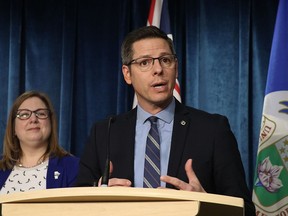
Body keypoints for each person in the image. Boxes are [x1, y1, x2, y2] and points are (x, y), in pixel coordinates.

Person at [76, 26, 255, 215]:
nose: (158, 69)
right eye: (145, 63)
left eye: (165, 60)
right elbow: (76, 203)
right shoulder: (105, 132)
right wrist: (99, 193)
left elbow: (245, 209)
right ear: (127, 74)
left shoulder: (212, 129)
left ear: (175, 67)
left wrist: (207, 202)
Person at [0, 91, 79, 194]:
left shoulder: (73, 167)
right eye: (24, 114)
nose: (33, 119)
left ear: (51, 123)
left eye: (41, 113)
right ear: (13, 127)